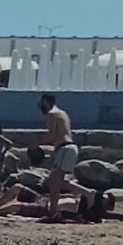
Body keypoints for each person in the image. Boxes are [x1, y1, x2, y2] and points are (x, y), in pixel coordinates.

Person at [32, 91, 77, 219]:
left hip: (64, 149)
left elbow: (52, 136)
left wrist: (38, 145)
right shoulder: (63, 113)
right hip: (69, 148)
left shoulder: (52, 114)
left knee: (54, 181)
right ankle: (55, 208)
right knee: (57, 181)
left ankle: (87, 193)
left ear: (45, 102)